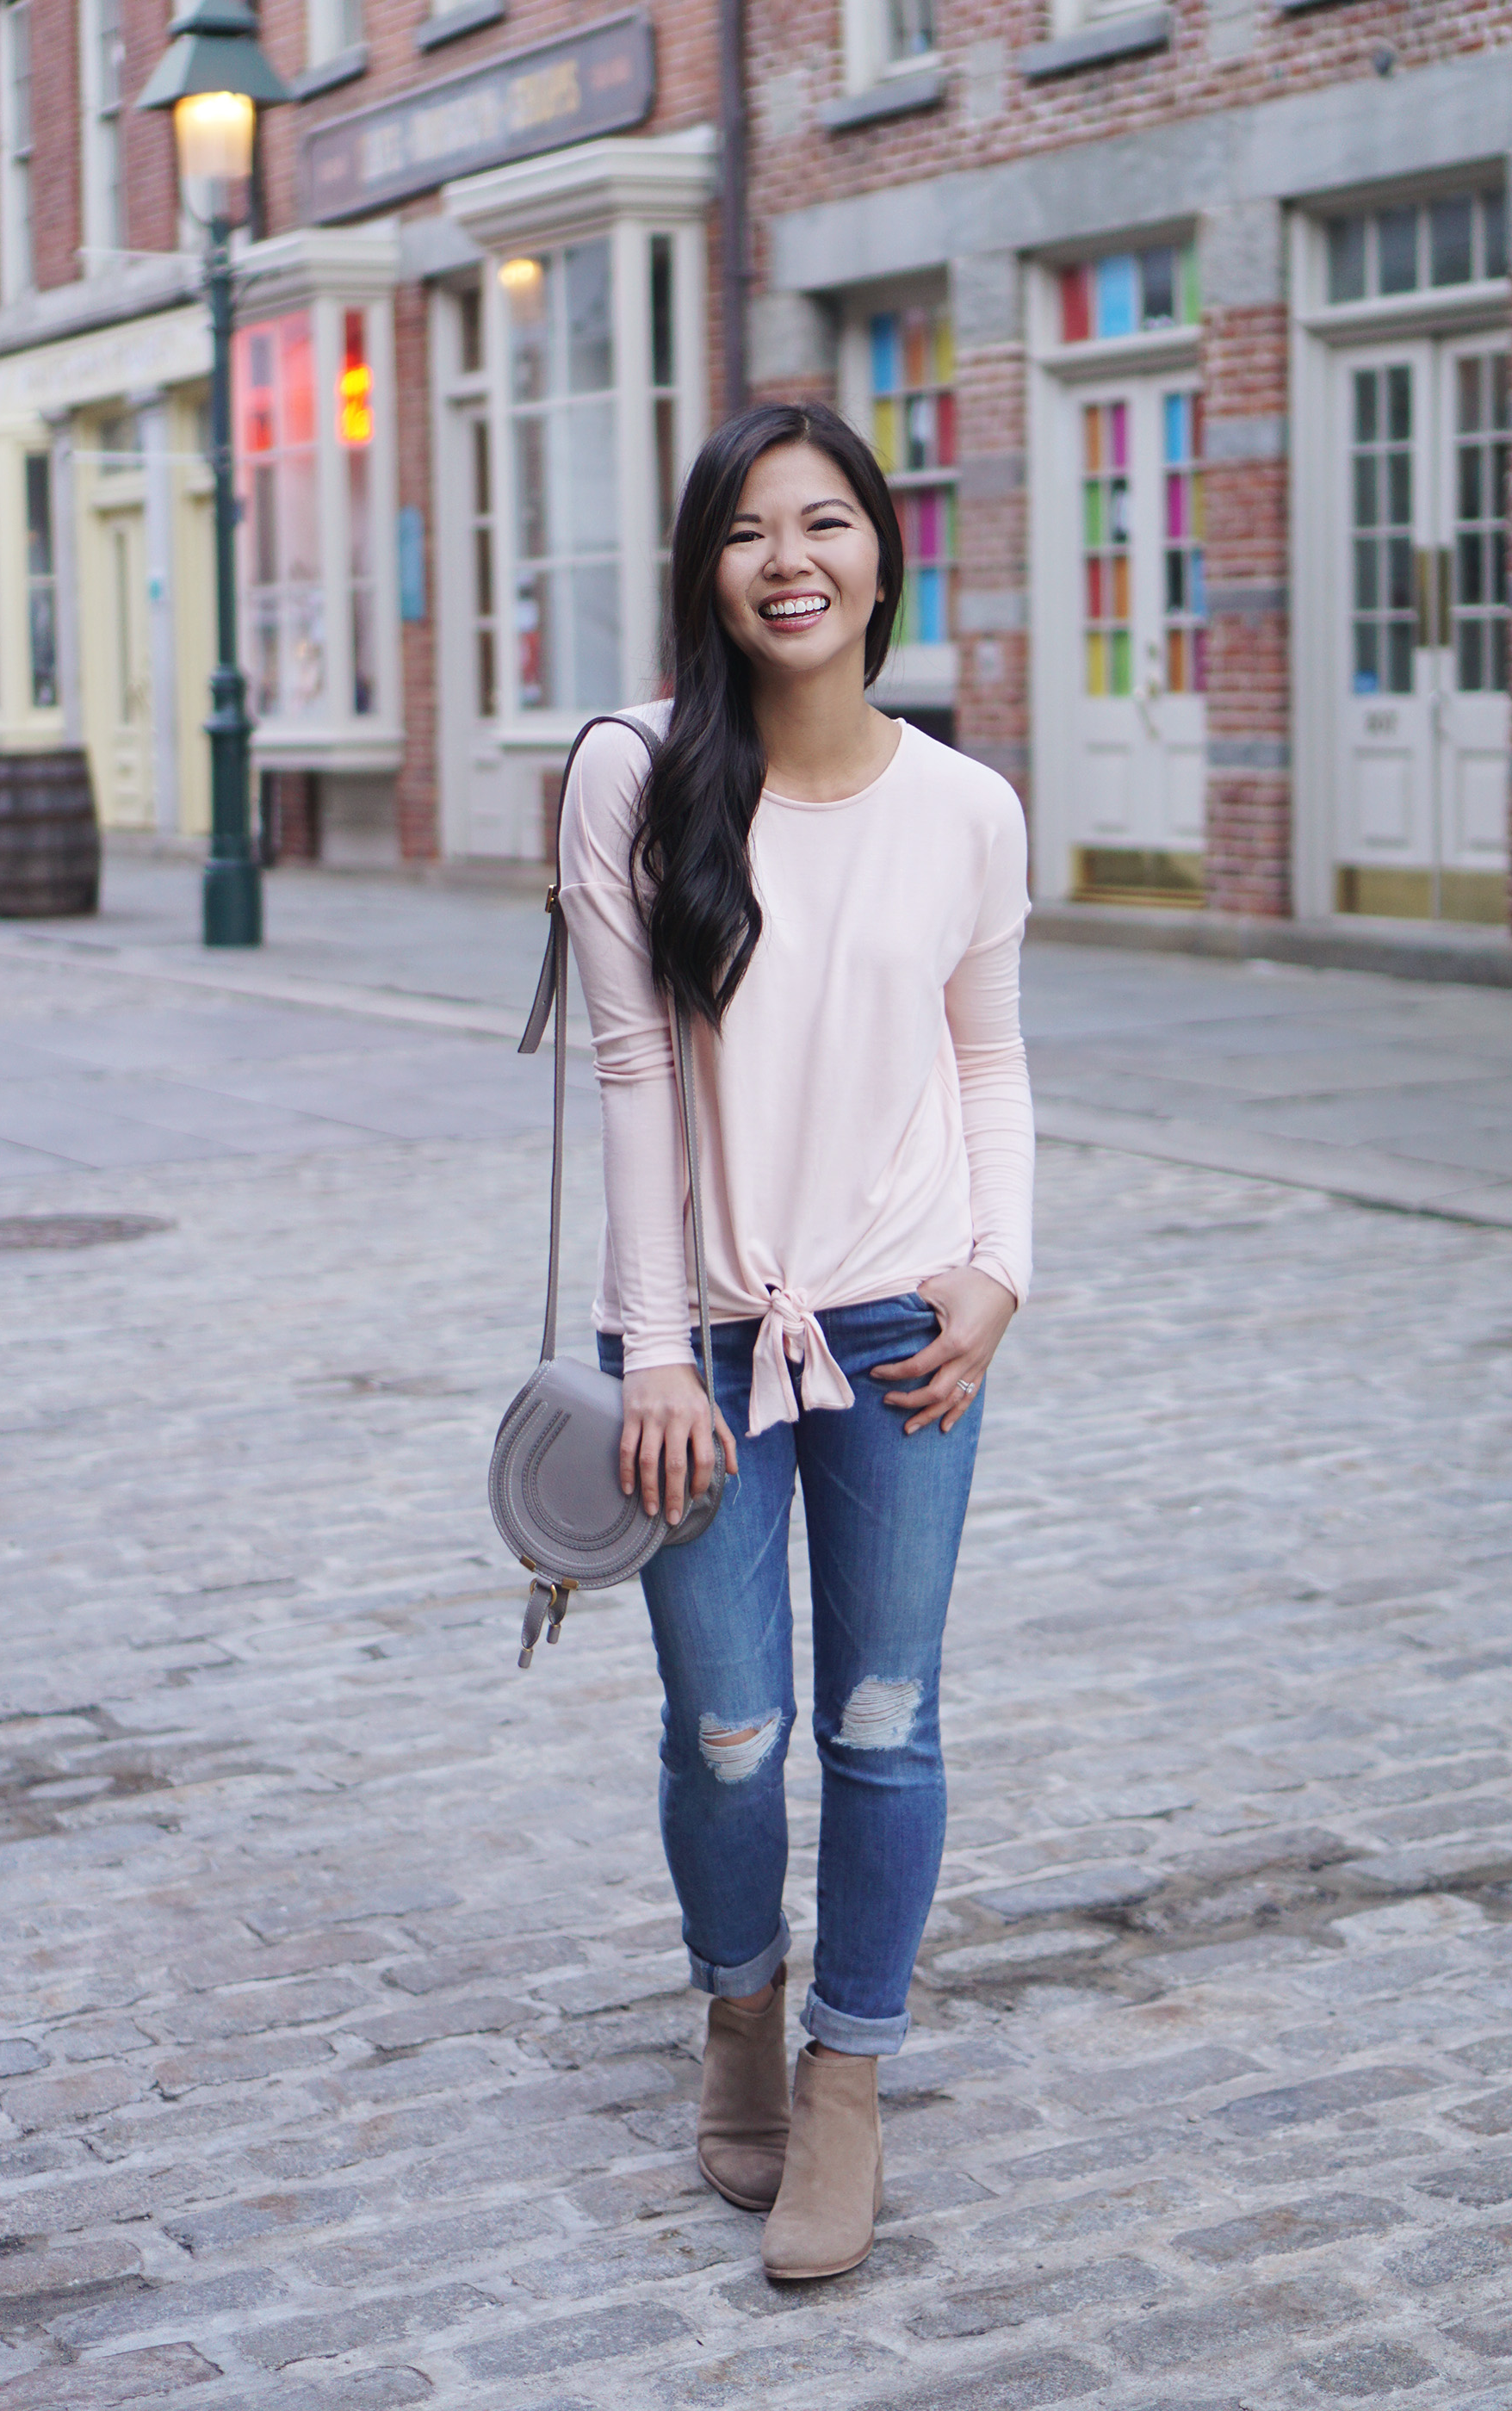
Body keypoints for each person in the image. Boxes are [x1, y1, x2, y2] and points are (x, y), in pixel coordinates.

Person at [559, 401, 1033, 2281]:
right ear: (705, 572)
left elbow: (987, 1056)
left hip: (908, 1313)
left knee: (884, 1716)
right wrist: (656, 1348)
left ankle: (849, 2071)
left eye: (824, 523)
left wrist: (1004, 1267)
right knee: (730, 1726)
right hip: (698, 1340)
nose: (789, 561)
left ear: (879, 560)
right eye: (749, 532)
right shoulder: (635, 777)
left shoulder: (964, 807)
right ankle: (738, 2004)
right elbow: (623, 1069)